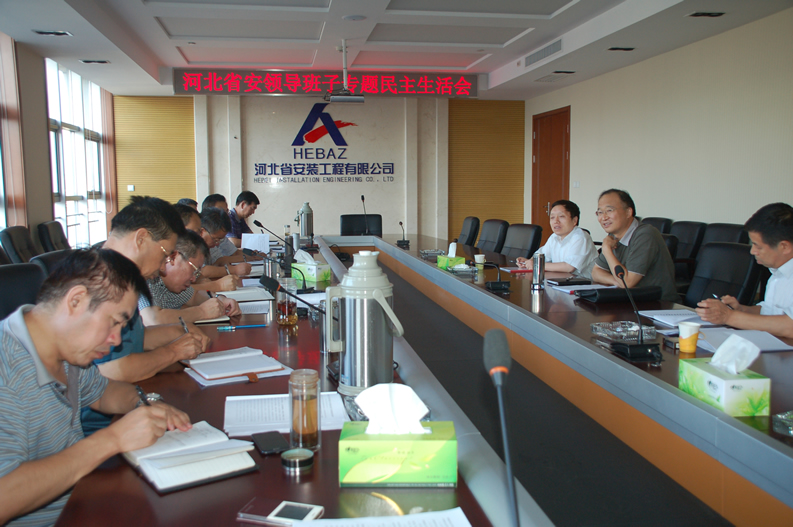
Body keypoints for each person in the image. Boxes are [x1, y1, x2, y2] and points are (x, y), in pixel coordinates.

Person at [0, 249, 191, 526]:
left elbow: (103, 392)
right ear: (76, 300)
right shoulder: (6, 367)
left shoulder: (68, 351)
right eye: (114, 322)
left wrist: (145, 404)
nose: (116, 340)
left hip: (83, 502)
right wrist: (111, 440)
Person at [84, 197, 210, 434]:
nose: (163, 268)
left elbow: (132, 340)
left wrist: (177, 332)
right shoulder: (99, 280)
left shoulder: (123, 276)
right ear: (141, 238)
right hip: (104, 424)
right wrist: (173, 351)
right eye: (165, 255)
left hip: (132, 406)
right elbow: (114, 370)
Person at [695, 203, 793, 338]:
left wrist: (729, 316)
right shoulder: (778, 273)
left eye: (758, 246)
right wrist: (742, 310)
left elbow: (790, 327)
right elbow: (770, 311)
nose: (752, 251)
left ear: (784, 247)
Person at [590, 189, 678, 301]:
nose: (604, 217)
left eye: (609, 210)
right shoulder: (613, 236)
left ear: (628, 212)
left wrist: (607, 250)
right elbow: (596, 272)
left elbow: (627, 283)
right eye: (600, 212)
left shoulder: (645, 234)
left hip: (658, 305)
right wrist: (617, 281)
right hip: (630, 301)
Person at [139, 230, 241, 326]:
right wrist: (201, 312)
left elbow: (194, 296)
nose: (193, 278)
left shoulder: (173, 284)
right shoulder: (147, 276)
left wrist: (220, 300)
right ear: (173, 258)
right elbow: (152, 319)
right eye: (193, 269)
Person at [515, 200, 598, 278]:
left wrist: (536, 264)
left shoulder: (581, 237)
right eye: (552, 217)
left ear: (574, 220)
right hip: (561, 282)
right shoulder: (554, 237)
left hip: (584, 285)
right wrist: (527, 262)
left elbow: (569, 267)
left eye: (561, 216)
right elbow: (541, 255)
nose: (556, 221)